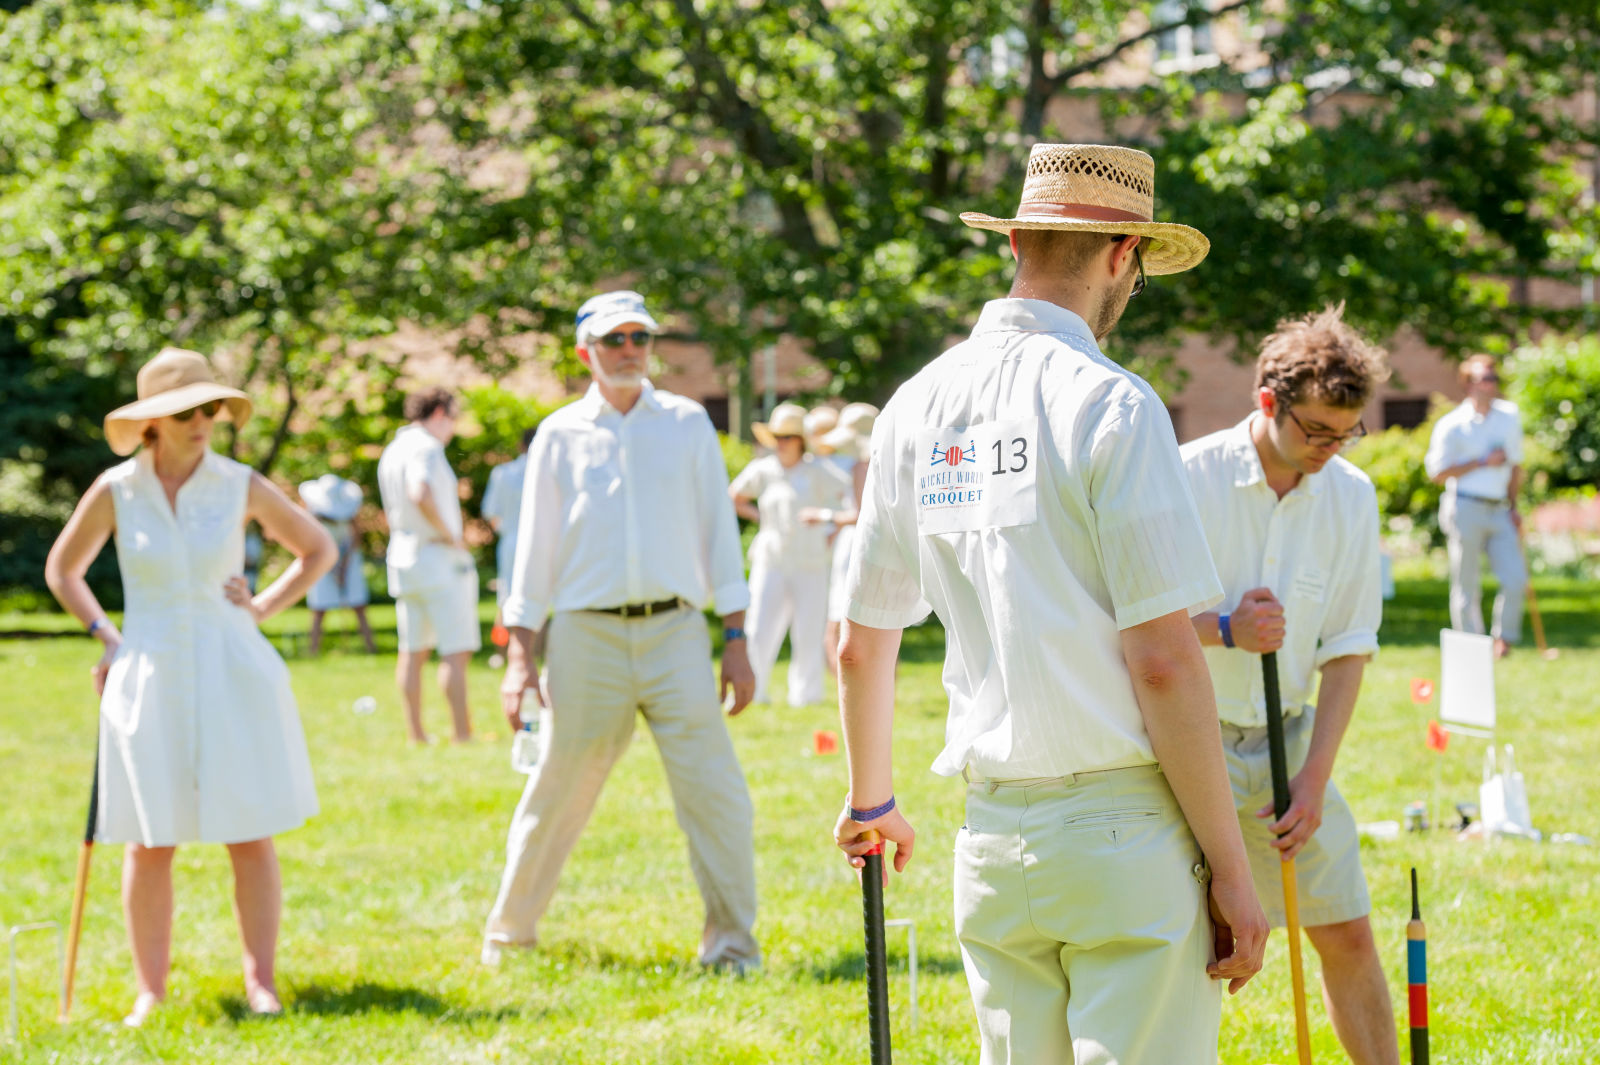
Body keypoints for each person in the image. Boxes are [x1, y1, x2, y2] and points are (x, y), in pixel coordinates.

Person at [833, 142, 1267, 1065]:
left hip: (992, 834)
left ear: (1017, 243)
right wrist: (1232, 867)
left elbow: (860, 642)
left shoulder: (912, 407)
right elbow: (1162, 658)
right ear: (1123, 254)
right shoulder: (1113, 403)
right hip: (1122, 830)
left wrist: (872, 797)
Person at [43, 347, 335, 1026]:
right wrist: (106, 636)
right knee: (149, 839)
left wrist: (262, 605)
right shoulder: (117, 489)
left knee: (250, 831)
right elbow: (63, 570)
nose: (203, 421)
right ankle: (151, 990)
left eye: (211, 408)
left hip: (231, 667)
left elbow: (317, 548)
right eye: (186, 412)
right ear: (153, 421)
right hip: (149, 671)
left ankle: (261, 982)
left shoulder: (238, 483)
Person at [484, 289, 761, 970]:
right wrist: (520, 658)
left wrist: (736, 639)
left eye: (640, 336)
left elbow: (719, 534)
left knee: (717, 793)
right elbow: (534, 551)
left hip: (676, 633)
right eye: (615, 339)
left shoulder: (688, 424)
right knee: (555, 790)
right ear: (587, 353)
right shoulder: (559, 434)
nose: (631, 349)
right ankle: (509, 939)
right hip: (586, 637)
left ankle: (732, 947)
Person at [1181, 305, 1398, 1065]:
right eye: (1316, 431)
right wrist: (1225, 628)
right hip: (1186, 742)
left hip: (1291, 743)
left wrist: (1312, 780)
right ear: (1267, 400)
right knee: (1189, 949)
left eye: (1346, 433)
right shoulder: (1186, 477)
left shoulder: (1351, 494)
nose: (1330, 450)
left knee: (1349, 932)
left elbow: (1348, 648)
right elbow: (1130, 621)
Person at [729, 401, 853, 706]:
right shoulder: (763, 469)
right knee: (759, 625)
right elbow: (735, 497)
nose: (781, 443)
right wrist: (762, 519)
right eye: (777, 436)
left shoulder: (818, 470)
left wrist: (830, 528)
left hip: (810, 561)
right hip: (771, 559)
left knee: (808, 630)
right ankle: (753, 692)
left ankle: (806, 696)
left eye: (787, 437)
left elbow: (850, 501)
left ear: (800, 440)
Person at [377, 387, 482, 744]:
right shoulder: (427, 447)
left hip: (403, 557)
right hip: (437, 557)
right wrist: (451, 535)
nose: (453, 427)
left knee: (412, 650)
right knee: (455, 649)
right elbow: (419, 492)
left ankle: (417, 735)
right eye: (453, 418)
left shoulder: (393, 449)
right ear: (439, 413)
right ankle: (462, 734)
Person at [1424, 354, 1527, 657]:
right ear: (1469, 384)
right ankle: (1472, 645)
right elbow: (1437, 473)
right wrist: (1481, 462)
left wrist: (1514, 506)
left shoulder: (1509, 416)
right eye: (1485, 379)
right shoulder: (1451, 424)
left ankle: (1503, 639)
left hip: (1500, 508)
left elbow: (1516, 465)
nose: (1491, 385)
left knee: (1515, 578)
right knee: (1466, 581)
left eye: (1494, 379)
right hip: (1464, 506)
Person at [818, 402, 877, 675]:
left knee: (837, 627)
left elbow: (862, 515)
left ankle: (845, 689)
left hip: (856, 546)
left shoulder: (861, 467)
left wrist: (827, 517)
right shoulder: (876, 466)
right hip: (864, 544)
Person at [298, 473, 378, 655]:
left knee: (358, 605)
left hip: (349, 559)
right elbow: (313, 543)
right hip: (322, 561)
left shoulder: (349, 515)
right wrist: (332, 567)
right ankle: (313, 649)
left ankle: (370, 647)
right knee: (319, 608)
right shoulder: (314, 517)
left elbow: (355, 538)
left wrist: (344, 565)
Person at [482, 427, 537, 618]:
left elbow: (491, 512)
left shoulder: (502, 473)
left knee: (507, 594)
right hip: (537, 540)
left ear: (521, 445)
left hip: (510, 540)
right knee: (538, 597)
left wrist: (504, 531)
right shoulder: (550, 472)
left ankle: (506, 638)